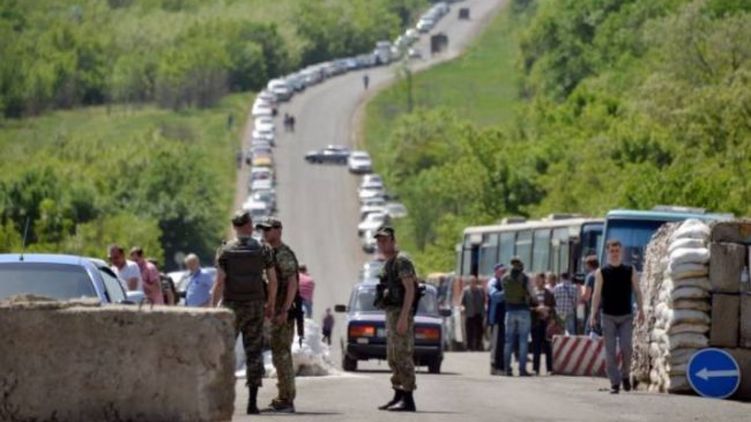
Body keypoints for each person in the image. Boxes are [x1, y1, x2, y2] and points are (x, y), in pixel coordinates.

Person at [212, 210, 278, 415]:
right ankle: (252, 402)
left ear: (234, 227)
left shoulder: (224, 250)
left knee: (224, 353)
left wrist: (214, 309)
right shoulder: (263, 249)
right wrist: (270, 304)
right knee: (254, 353)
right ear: (249, 225)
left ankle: (221, 399)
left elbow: (219, 282)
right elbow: (273, 281)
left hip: (231, 307)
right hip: (255, 305)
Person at [590, 240, 644, 394]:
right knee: (610, 351)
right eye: (612, 251)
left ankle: (626, 375)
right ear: (607, 252)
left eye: (617, 250)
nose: (614, 253)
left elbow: (637, 291)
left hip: (626, 316)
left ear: (621, 252)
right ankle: (615, 382)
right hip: (608, 316)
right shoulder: (601, 272)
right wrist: (592, 314)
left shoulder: (630, 270)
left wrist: (641, 310)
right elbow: (596, 294)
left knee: (627, 348)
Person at [257, 217, 299, 413]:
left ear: (279, 230)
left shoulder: (283, 254)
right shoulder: (269, 253)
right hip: (275, 312)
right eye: (263, 229)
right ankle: (283, 395)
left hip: (283, 313)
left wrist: (285, 309)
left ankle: (287, 399)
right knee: (277, 355)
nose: (265, 232)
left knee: (282, 355)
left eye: (268, 229)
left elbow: (292, 283)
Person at [374, 226, 417, 412]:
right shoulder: (388, 263)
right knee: (393, 356)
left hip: (400, 313)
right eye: (379, 241)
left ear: (393, 240)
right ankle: (398, 395)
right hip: (391, 313)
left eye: (385, 240)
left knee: (402, 356)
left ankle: (408, 399)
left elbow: (410, 290)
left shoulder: (402, 261)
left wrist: (404, 318)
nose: (382, 244)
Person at [502, 256, 536, 376]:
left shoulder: (505, 278)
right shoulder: (525, 278)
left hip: (509, 312)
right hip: (523, 311)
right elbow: (533, 294)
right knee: (523, 341)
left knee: (508, 342)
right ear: (521, 266)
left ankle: (507, 369)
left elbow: (504, 293)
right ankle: (522, 370)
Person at [531, 272, 555, 375]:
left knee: (547, 346)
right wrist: (536, 309)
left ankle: (549, 369)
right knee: (536, 346)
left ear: (543, 280)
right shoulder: (532, 293)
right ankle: (535, 369)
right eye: (535, 279)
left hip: (546, 323)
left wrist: (548, 309)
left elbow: (554, 307)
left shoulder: (549, 293)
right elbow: (527, 307)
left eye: (538, 279)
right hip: (535, 322)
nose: (536, 281)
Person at [487, 263, 507, 374]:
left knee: (502, 344)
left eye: (505, 271)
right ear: (496, 272)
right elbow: (495, 297)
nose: (504, 274)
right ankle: (494, 367)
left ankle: (501, 366)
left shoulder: (504, 283)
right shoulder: (493, 282)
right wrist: (508, 292)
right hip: (496, 318)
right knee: (496, 344)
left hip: (503, 318)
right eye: (501, 272)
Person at [461, 275, 485, 351]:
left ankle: (478, 346)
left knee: (479, 331)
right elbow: (462, 302)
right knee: (469, 331)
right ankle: (469, 347)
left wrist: (485, 308)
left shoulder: (481, 289)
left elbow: (484, 300)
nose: (473, 283)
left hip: (479, 313)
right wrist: (463, 307)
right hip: (469, 313)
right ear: (469, 283)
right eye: (471, 282)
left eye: (474, 282)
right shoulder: (465, 290)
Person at [580, 255, 600, 335]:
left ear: (589, 265)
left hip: (595, 310)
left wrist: (581, 290)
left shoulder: (591, 276)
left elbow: (586, 296)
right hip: (606, 311)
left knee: (588, 333)